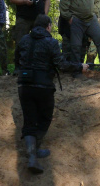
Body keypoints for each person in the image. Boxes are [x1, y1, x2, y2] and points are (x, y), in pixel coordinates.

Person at [15, 14, 89, 174]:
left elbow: (17, 60)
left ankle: (32, 155)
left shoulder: (24, 40)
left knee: (29, 121)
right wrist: (79, 66)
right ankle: (35, 152)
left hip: (24, 85)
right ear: (48, 26)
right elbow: (61, 65)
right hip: (43, 86)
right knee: (45, 118)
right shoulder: (51, 42)